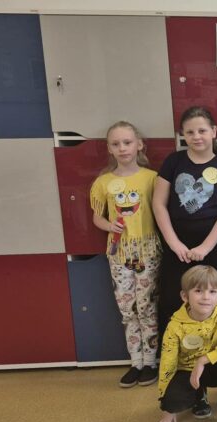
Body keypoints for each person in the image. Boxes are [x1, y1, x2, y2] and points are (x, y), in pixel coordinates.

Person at [152, 106, 217, 335]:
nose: (196, 136)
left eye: (202, 131)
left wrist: (205, 247)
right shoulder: (173, 162)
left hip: (210, 246)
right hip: (176, 245)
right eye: (190, 132)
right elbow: (158, 204)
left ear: (214, 131)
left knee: (209, 302)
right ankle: (172, 352)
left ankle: (210, 351)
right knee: (172, 298)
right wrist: (174, 244)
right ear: (183, 135)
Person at [90, 121, 163, 388]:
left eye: (127, 142)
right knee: (127, 308)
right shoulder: (103, 182)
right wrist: (110, 226)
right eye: (116, 144)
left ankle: (150, 362)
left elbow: (161, 211)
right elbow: (97, 217)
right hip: (119, 253)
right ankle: (136, 362)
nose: (122, 148)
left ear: (139, 144)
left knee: (146, 306)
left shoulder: (152, 178)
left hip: (147, 251)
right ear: (109, 149)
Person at [156, 266, 217, 422]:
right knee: (172, 401)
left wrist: (203, 360)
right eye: (198, 291)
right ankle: (199, 396)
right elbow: (167, 363)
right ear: (185, 296)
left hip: (215, 366)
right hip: (188, 371)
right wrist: (167, 406)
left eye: (212, 291)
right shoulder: (175, 325)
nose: (206, 297)